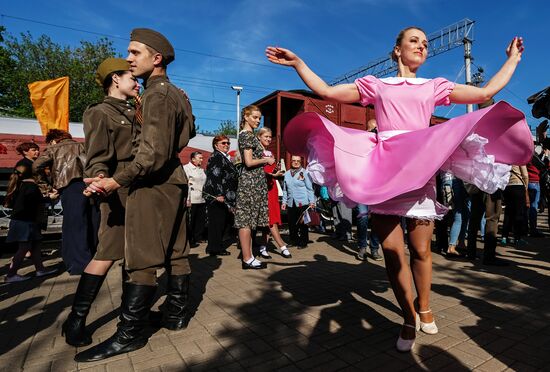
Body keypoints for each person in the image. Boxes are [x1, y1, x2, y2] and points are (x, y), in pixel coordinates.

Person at [266, 29, 531, 352]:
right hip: (383, 173)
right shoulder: (376, 85)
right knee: (393, 255)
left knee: (421, 251)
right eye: (414, 41)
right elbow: (327, 91)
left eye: (425, 43)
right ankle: (408, 317)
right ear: (396, 50)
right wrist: (299, 64)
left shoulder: (435, 86)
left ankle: (424, 305)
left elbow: (484, 92)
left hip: (419, 171)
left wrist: (513, 59)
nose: (422, 45)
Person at [76, 28, 195, 362]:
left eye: (134, 53)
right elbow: (189, 132)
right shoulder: (174, 94)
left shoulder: (156, 96)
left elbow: (151, 153)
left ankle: (131, 334)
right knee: (176, 250)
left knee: (139, 259)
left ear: (156, 58)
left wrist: (117, 180)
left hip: (151, 182)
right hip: (174, 179)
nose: (128, 60)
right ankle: (175, 314)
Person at [61, 58, 140, 347]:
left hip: (139, 191)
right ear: (115, 79)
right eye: (131, 76)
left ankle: (130, 317)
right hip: (116, 191)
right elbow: (97, 155)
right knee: (106, 254)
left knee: (135, 256)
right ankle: (75, 320)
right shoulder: (99, 112)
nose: (137, 81)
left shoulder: (136, 111)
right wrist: (98, 179)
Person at [34, 129, 98, 275]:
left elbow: (35, 166)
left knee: (73, 226)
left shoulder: (53, 149)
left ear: (53, 140)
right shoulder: (83, 145)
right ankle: (94, 260)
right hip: (90, 186)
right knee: (92, 222)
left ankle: (79, 264)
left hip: (70, 188)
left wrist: (47, 188)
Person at [234, 105, 274, 270]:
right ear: (246, 116)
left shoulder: (249, 135)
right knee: (246, 221)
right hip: (250, 184)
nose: (258, 120)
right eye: (255, 117)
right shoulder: (247, 136)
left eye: (259, 118)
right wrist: (266, 160)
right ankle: (247, 258)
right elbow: (248, 162)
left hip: (254, 183)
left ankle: (248, 256)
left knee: (250, 221)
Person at [4, 164, 58, 283]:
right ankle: (11, 275)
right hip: (25, 221)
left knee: (35, 246)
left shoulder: (20, 184)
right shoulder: (31, 186)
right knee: (24, 248)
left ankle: (40, 269)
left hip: (23, 220)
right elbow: (34, 202)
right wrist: (50, 198)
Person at [257, 127, 291, 258]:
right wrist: (271, 173)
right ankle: (282, 245)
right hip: (262, 189)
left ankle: (263, 246)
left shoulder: (270, 153)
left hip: (271, 188)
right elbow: (256, 171)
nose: (268, 139)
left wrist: (276, 173)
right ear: (259, 137)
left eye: (270, 137)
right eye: (265, 136)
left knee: (271, 217)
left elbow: (271, 170)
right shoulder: (256, 152)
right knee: (270, 218)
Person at [203, 135, 238, 256]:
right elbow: (215, 175)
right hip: (217, 196)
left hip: (224, 195)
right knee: (217, 223)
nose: (226, 145)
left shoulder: (224, 157)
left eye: (228, 143)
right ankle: (214, 248)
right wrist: (218, 194)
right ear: (216, 145)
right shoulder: (217, 156)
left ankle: (214, 246)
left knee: (221, 222)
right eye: (223, 143)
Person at [282, 156, 315, 249]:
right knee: (292, 223)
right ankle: (294, 240)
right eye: (294, 161)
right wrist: (284, 202)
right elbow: (285, 190)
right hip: (291, 202)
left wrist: (311, 201)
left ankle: (303, 242)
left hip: (302, 202)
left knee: (303, 223)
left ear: (300, 162)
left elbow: (309, 188)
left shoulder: (305, 173)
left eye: (298, 161)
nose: (296, 162)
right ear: (291, 161)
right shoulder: (287, 174)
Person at [501, 165, 529, 247]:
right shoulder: (520, 158)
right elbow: (525, 175)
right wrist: (526, 187)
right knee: (518, 213)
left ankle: (504, 237)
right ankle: (517, 238)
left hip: (507, 187)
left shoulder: (505, 158)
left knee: (508, 213)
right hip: (518, 185)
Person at [183, 151, 207, 246]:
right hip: (192, 199)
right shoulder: (186, 168)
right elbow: (187, 184)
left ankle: (198, 237)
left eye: (202, 158)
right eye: (199, 158)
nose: (202, 160)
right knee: (190, 220)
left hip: (201, 198)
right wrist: (188, 199)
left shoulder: (201, 169)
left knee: (200, 220)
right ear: (193, 159)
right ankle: (189, 239)